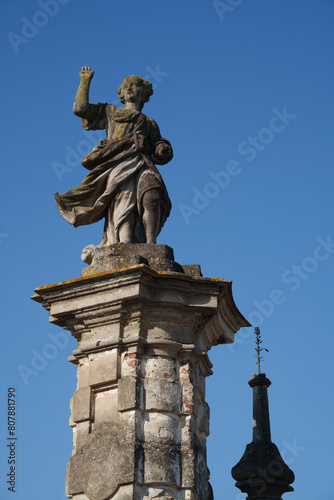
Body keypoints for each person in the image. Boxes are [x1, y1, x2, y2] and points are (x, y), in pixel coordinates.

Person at [55, 67, 173, 245]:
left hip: (142, 164)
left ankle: (151, 244)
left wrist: (162, 149)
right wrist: (85, 81)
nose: (130, 88)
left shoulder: (149, 123)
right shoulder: (110, 113)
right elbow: (80, 109)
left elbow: (158, 145)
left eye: (135, 85)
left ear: (145, 94)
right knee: (123, 203)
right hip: (117, 166)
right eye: (127, 86)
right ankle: (123, 241)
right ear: (121, 94)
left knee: (153, 195)